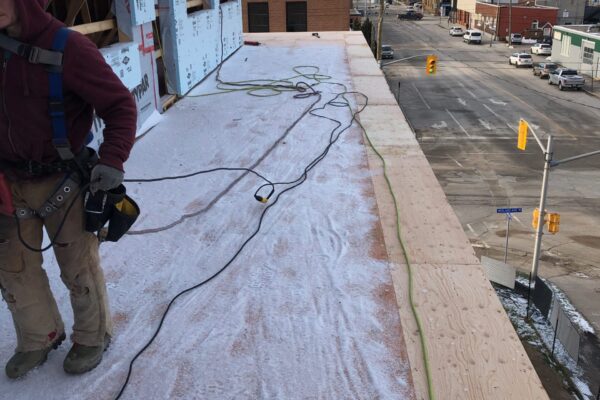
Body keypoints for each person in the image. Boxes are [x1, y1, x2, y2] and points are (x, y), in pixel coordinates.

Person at [0, 0, 136, 379]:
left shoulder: (68, 47)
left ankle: (93, 336)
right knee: (14, 269)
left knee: (78, 267)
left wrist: (112, 160)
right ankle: (38, 337)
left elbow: (120, 105)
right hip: (7, 182)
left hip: (63, 180)